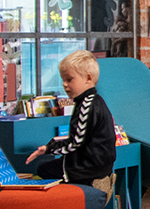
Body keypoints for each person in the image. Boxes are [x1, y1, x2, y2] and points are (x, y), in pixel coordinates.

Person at [26, 50, 118, 184]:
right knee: (50, 166)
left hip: (87, 169)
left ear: (88, 78)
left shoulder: (86, 105)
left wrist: (49, 149)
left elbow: (76, 141)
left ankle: (76, 192)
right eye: (63, 80)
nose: (64, 84)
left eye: (69, 79)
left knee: (43, 169)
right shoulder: (96, 100)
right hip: (98, 166)